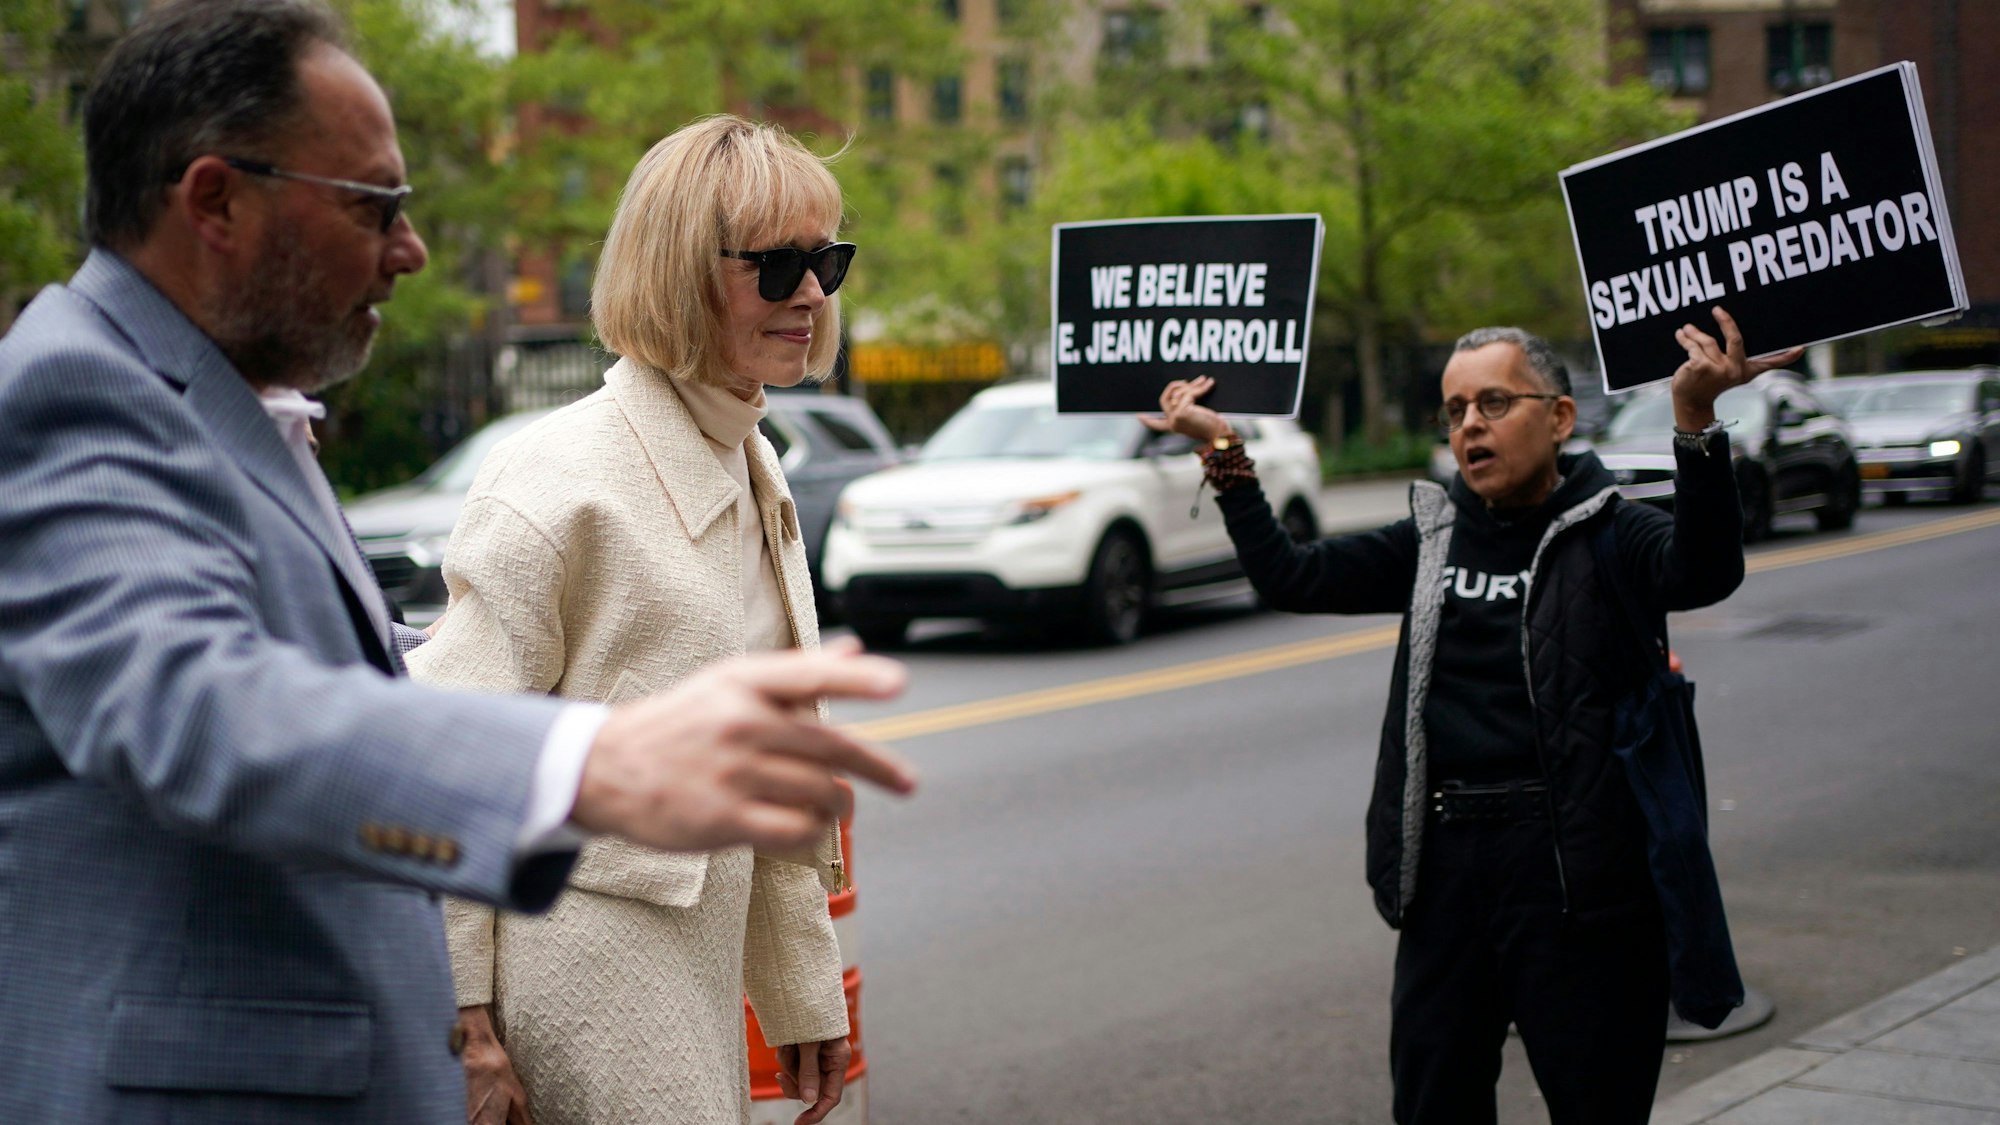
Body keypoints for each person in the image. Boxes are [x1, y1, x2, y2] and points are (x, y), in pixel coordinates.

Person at [0, 4, 914, 1122]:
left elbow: (346, 672)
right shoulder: (76, 394)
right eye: (375, 205)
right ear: (216, 201)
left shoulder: (214, 404)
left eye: (827, 260)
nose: (413, 249)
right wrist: (576, 769)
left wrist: (797, 986)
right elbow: (193, 705)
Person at [1144, 311, 1798, 1124]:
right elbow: (1292, 577)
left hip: (1578, 883)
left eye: (1493, 403)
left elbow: (1706, 570)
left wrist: (1695, 422)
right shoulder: (1431, 537)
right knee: (1432, 1103)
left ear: (1559, 417)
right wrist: (1220, 447)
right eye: (1455, 411)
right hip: (1445, 876)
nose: (1470, 427)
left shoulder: (1612, 532)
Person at [406, 115, 861, 1125]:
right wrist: (465, 1027)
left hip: (693, 967)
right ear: (677, 269)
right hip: (586, 965)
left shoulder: (751, 455)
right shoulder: (559, 476)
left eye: (826, 261)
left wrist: (799, 992)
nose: (811, 295)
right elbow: (450, 764)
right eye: (778, 264)